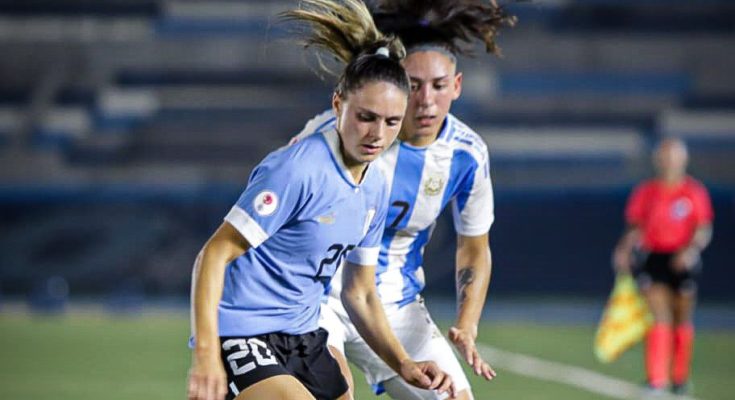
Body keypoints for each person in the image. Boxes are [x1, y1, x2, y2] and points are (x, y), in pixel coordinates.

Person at [186, 1, 456, 399]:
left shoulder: (376, 184)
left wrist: (404, 363)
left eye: (391, 122)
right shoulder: (298, 169)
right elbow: (213, 255)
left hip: (305, 337)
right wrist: (207, 353)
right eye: (366, 117)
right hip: (244, 333)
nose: (377, 134)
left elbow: (360, 292)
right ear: (337, 104)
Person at [292, 1, 516, 398]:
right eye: (413, 85)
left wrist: (467, 322)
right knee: (333, 393)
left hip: (395, 305)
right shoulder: (336, 133)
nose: (426, 100)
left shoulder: (466, 155)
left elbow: (475, 247)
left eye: (439, 85)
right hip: (318, 296)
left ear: (457, 86)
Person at [613, 137, 713, 395]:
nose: (669, 161)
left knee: (682, 316)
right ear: (658, 160)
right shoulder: (646, 192)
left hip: (682, 258)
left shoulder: (693, 192)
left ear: (683, 159)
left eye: (674, 156)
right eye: (665, 156)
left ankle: (679, 378)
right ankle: (656, 379)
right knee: (660, 314)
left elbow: (703, 229)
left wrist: (691, 251)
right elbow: (635, 227)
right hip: (654, 257)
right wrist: (624, 249)